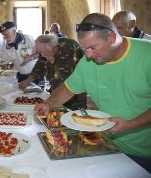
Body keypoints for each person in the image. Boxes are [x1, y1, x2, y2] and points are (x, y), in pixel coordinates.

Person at [34, 13, 151, 173]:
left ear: (111, 37)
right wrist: (48, 103)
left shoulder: (147, 55)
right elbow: (68, 88)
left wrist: (132, 124)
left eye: (92, 48)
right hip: (108, 144)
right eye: (84, 49)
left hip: (145, 153)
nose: (87, 55)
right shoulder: (87, 62)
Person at [19, 33, 86, 110]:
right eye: (40, 53)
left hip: (75, 94)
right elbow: (39, 68)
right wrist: (27, 81)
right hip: (56, 93)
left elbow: (86, 64)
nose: (42, 55)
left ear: (52, 47)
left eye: (43, 52)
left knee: (76, 117)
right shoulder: (44, 53)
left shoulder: (71, 46)